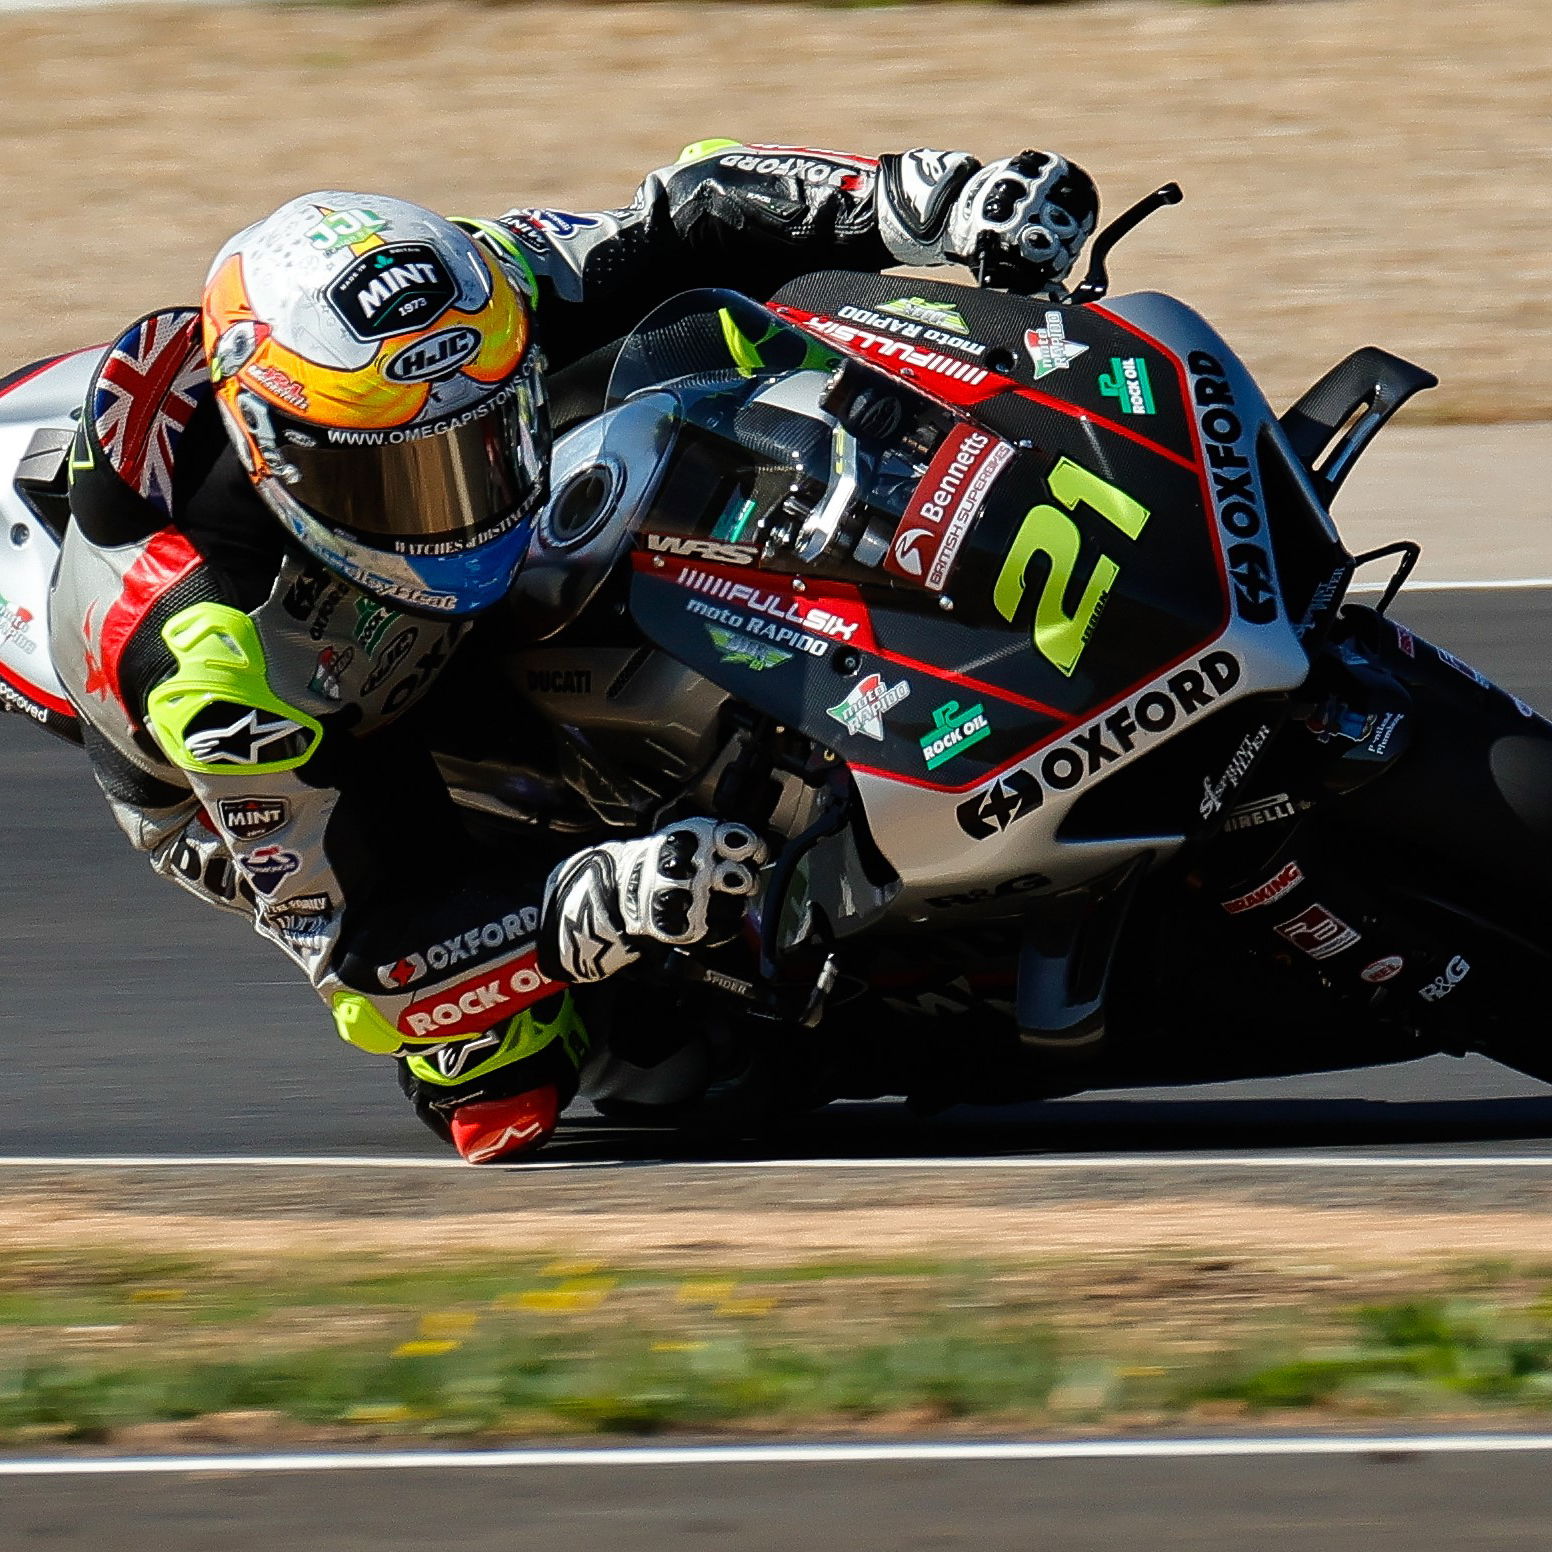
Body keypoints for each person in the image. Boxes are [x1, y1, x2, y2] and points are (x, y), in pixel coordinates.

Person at [45, 143, 1099, 1162]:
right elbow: (370, 965)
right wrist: (600, 900)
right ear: (286, 464)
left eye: (476, 446)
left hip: (419, 604)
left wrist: (924, 199)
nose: (457, 508)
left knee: (722, 362)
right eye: (403, 482)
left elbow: (688, 215)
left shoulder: (474, 293)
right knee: (508, 1080)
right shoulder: (215, 676)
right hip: (324, 739)